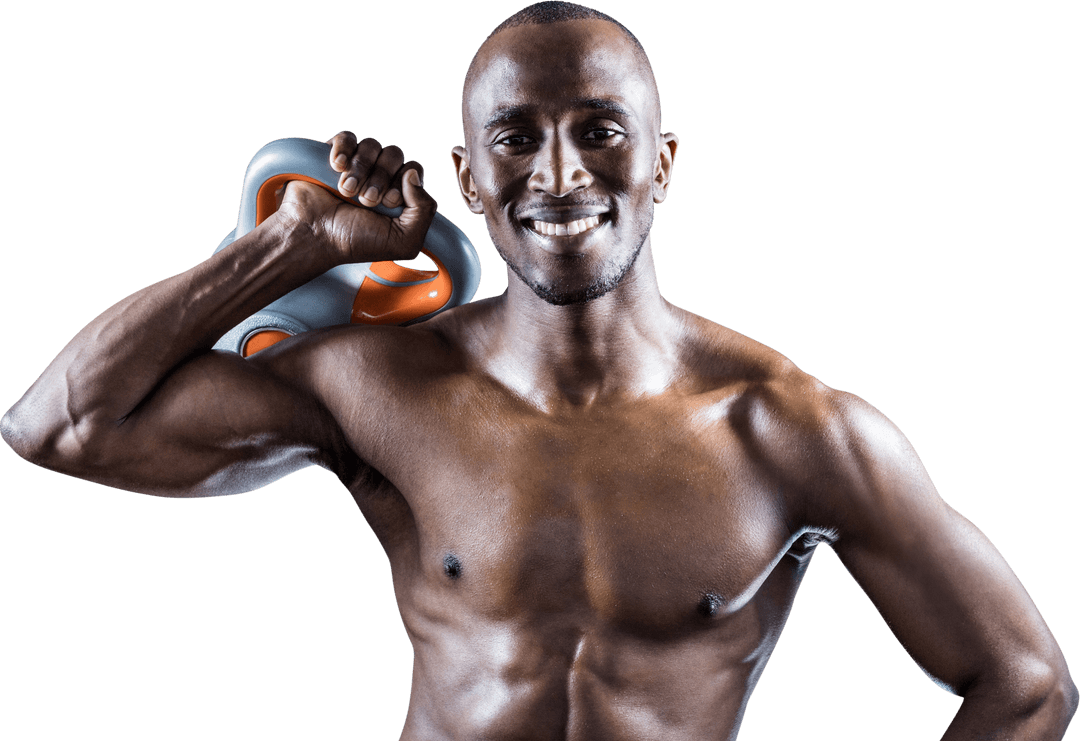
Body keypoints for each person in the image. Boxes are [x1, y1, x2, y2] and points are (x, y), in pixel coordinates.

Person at [2, 2, 1075, 738]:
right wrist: (294, 247)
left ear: (660, 164)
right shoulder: (384, 389)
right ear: (469, 178)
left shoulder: (789, 431)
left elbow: (1024, 685)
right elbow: (58, 426)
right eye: (516, 138)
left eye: (600, 130)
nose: (558, 173)